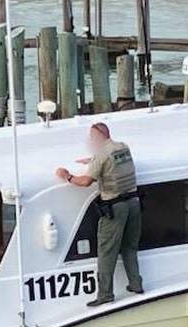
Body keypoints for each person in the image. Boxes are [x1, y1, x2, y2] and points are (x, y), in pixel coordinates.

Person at [55, 122, 143, 307]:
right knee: (130, 247)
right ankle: (136, 284)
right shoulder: (123, 148)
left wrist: (67, 176)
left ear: (98, 136)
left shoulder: (102, 155)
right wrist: (93, 161)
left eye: (91, 137)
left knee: (106, 252)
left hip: (115, 206)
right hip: (134, 202)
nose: (90, 140)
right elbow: (111, 163)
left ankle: (105, 295)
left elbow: (85, 181)